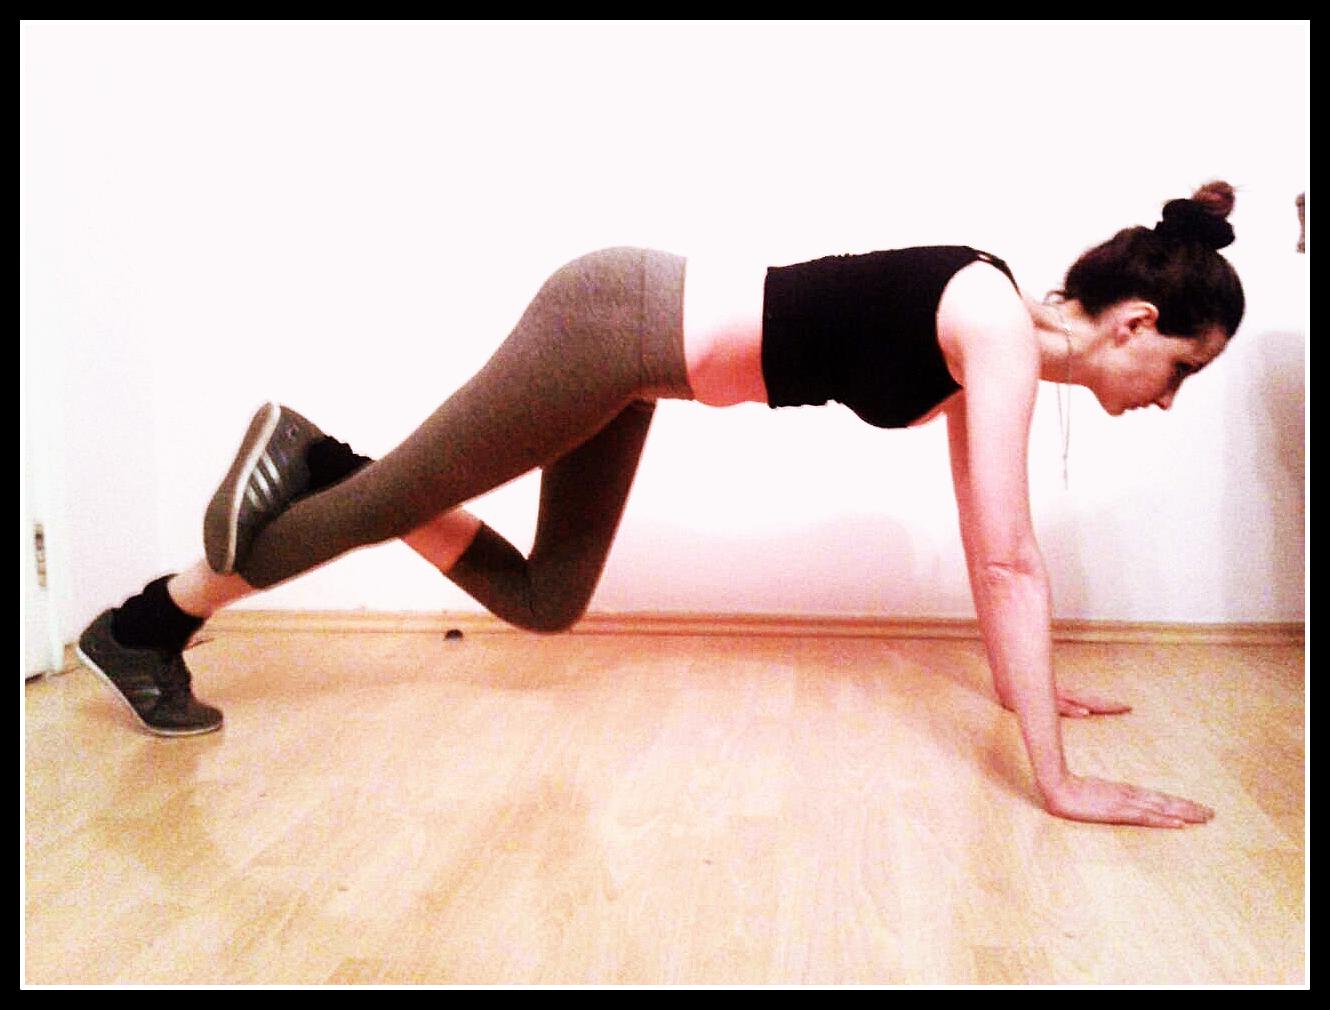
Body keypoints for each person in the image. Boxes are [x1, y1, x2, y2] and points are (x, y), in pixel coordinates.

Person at [76, 182, 1244, 829]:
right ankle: (148, 620)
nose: (1167, 399)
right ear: (1138, 323)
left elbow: (987, 536)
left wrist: (1020, 688)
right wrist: (1057, 780)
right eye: (1182, 371)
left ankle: (326, 468)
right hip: (614, 320)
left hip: (638, 366)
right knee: (393, 501)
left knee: (544, 597)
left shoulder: (991, 337)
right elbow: (1012, 562)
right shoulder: (991, 323)